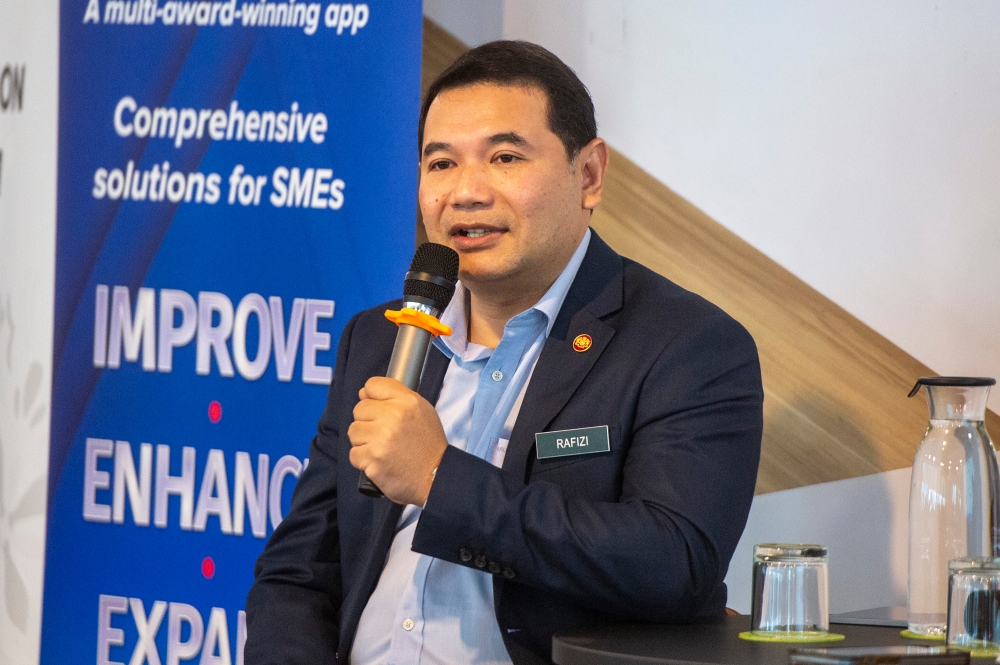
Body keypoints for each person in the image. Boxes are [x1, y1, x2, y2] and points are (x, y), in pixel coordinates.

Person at [245, 40, 763, 665]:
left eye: (505, 156)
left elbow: (673, 561)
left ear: (589, 175)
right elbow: (299, 572)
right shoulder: (381, 338)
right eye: (440, 165)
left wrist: (438, 479)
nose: (465, 193)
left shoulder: (686, 345)